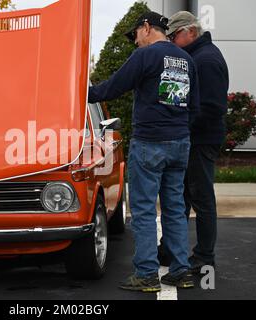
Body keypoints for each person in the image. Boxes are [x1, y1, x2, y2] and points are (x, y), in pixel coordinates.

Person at [88, 11, 200, 292]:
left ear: (147, 27)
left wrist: (79, 92)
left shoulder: (145, 56)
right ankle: (181, 271)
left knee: (144, 210)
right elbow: (194, 107)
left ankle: (147, 274)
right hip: (179, 143)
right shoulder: (186, 60)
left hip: (150, 142)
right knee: (175, 208)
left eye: (135, 35)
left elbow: (111, 88)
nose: (135, 41)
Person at [160, 11, 229, 273]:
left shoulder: (206, 60)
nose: (173, 41)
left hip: (201, 140)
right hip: (194, 138)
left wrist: (180, 126)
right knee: (183, 196)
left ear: (190, 32)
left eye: (175, 36)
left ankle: (204, 257)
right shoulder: (195, 57)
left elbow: (212, 107)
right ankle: (169, 250)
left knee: (201, 198)